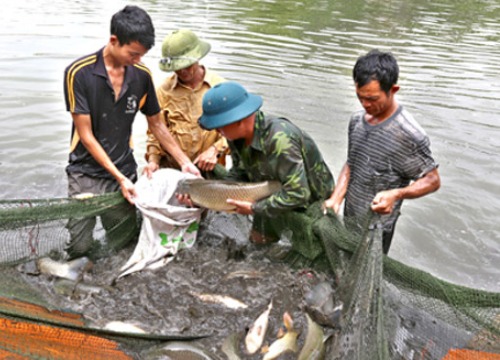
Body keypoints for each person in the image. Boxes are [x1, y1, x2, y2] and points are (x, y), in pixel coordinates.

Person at [63, 6, 200, 259]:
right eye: (133, 54)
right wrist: (119, 178)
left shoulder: (141, 76)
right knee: (80, 245)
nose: (138, 60)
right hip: (85, 172)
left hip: (124, 170)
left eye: (142, 55)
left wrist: (185, 162)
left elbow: (157, 125)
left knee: (123, 241)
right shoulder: (78, 73)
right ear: (114, 40)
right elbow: (86, 135)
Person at [192, 81, 334, 261]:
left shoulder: (280, 139)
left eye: (220, 125)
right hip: (267, 192)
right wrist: (203, 195)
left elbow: (299, 193)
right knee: (257, 247)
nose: (218, 132)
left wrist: (254, 208)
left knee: (307, 257)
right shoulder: (235, 137)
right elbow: (238, 175)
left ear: (239, 119)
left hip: (309, 203)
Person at [323, 49, 441, 254]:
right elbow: (352, 163)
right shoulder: (357, 121)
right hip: (351, 217)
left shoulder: (408, 134)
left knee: (365, 279)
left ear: (393, 90)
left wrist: (396, 194)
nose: (365, 104)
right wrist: (336, 198)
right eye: (360, 97)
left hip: (377, 228)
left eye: (372, 98)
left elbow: (432, 180)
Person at [143, 29, 228, 178]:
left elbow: (239, 130)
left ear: (197, 58)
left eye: (187, 66)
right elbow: (155, 132)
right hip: (172, 171)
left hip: (209, 173)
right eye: (177, 68)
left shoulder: (220, 88)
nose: (182, 71)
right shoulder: (163, 91)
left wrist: (215, 149)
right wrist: (153, 160)